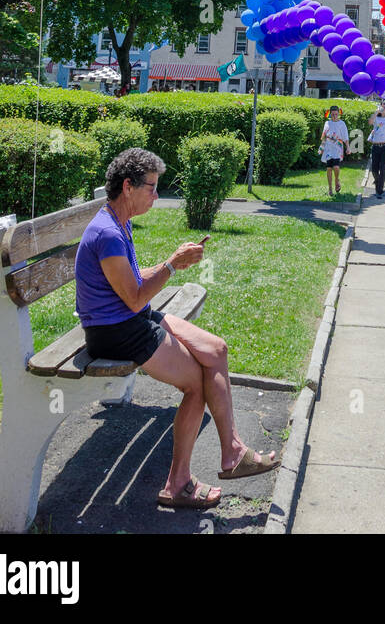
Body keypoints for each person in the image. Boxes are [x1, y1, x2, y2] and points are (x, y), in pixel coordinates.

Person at [74, 148, 279, 510]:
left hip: (130, 317)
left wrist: (171, 265)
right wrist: (171, 265)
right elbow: (135, 298)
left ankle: (233, 452)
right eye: (151, 188)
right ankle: (178, 483)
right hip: (116, 330)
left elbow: (132, 287)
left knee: (216, 349)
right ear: (127, 186)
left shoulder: (120, 221)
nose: (156, 195)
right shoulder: (106, 232)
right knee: (196, 384)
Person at [319, 104, 351, 196]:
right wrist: (321, 147)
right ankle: (330, 188)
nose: (334, 116)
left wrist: (348, 147)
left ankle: (337, 180)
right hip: (328, 148)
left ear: (338, 114)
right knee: (329, 168)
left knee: (336, 167)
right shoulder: (327, 123)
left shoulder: (342, 123)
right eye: (332, 114)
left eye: (336, 114)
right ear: (330, 114)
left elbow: (345, 136)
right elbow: (324, 136)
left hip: (337, 147)